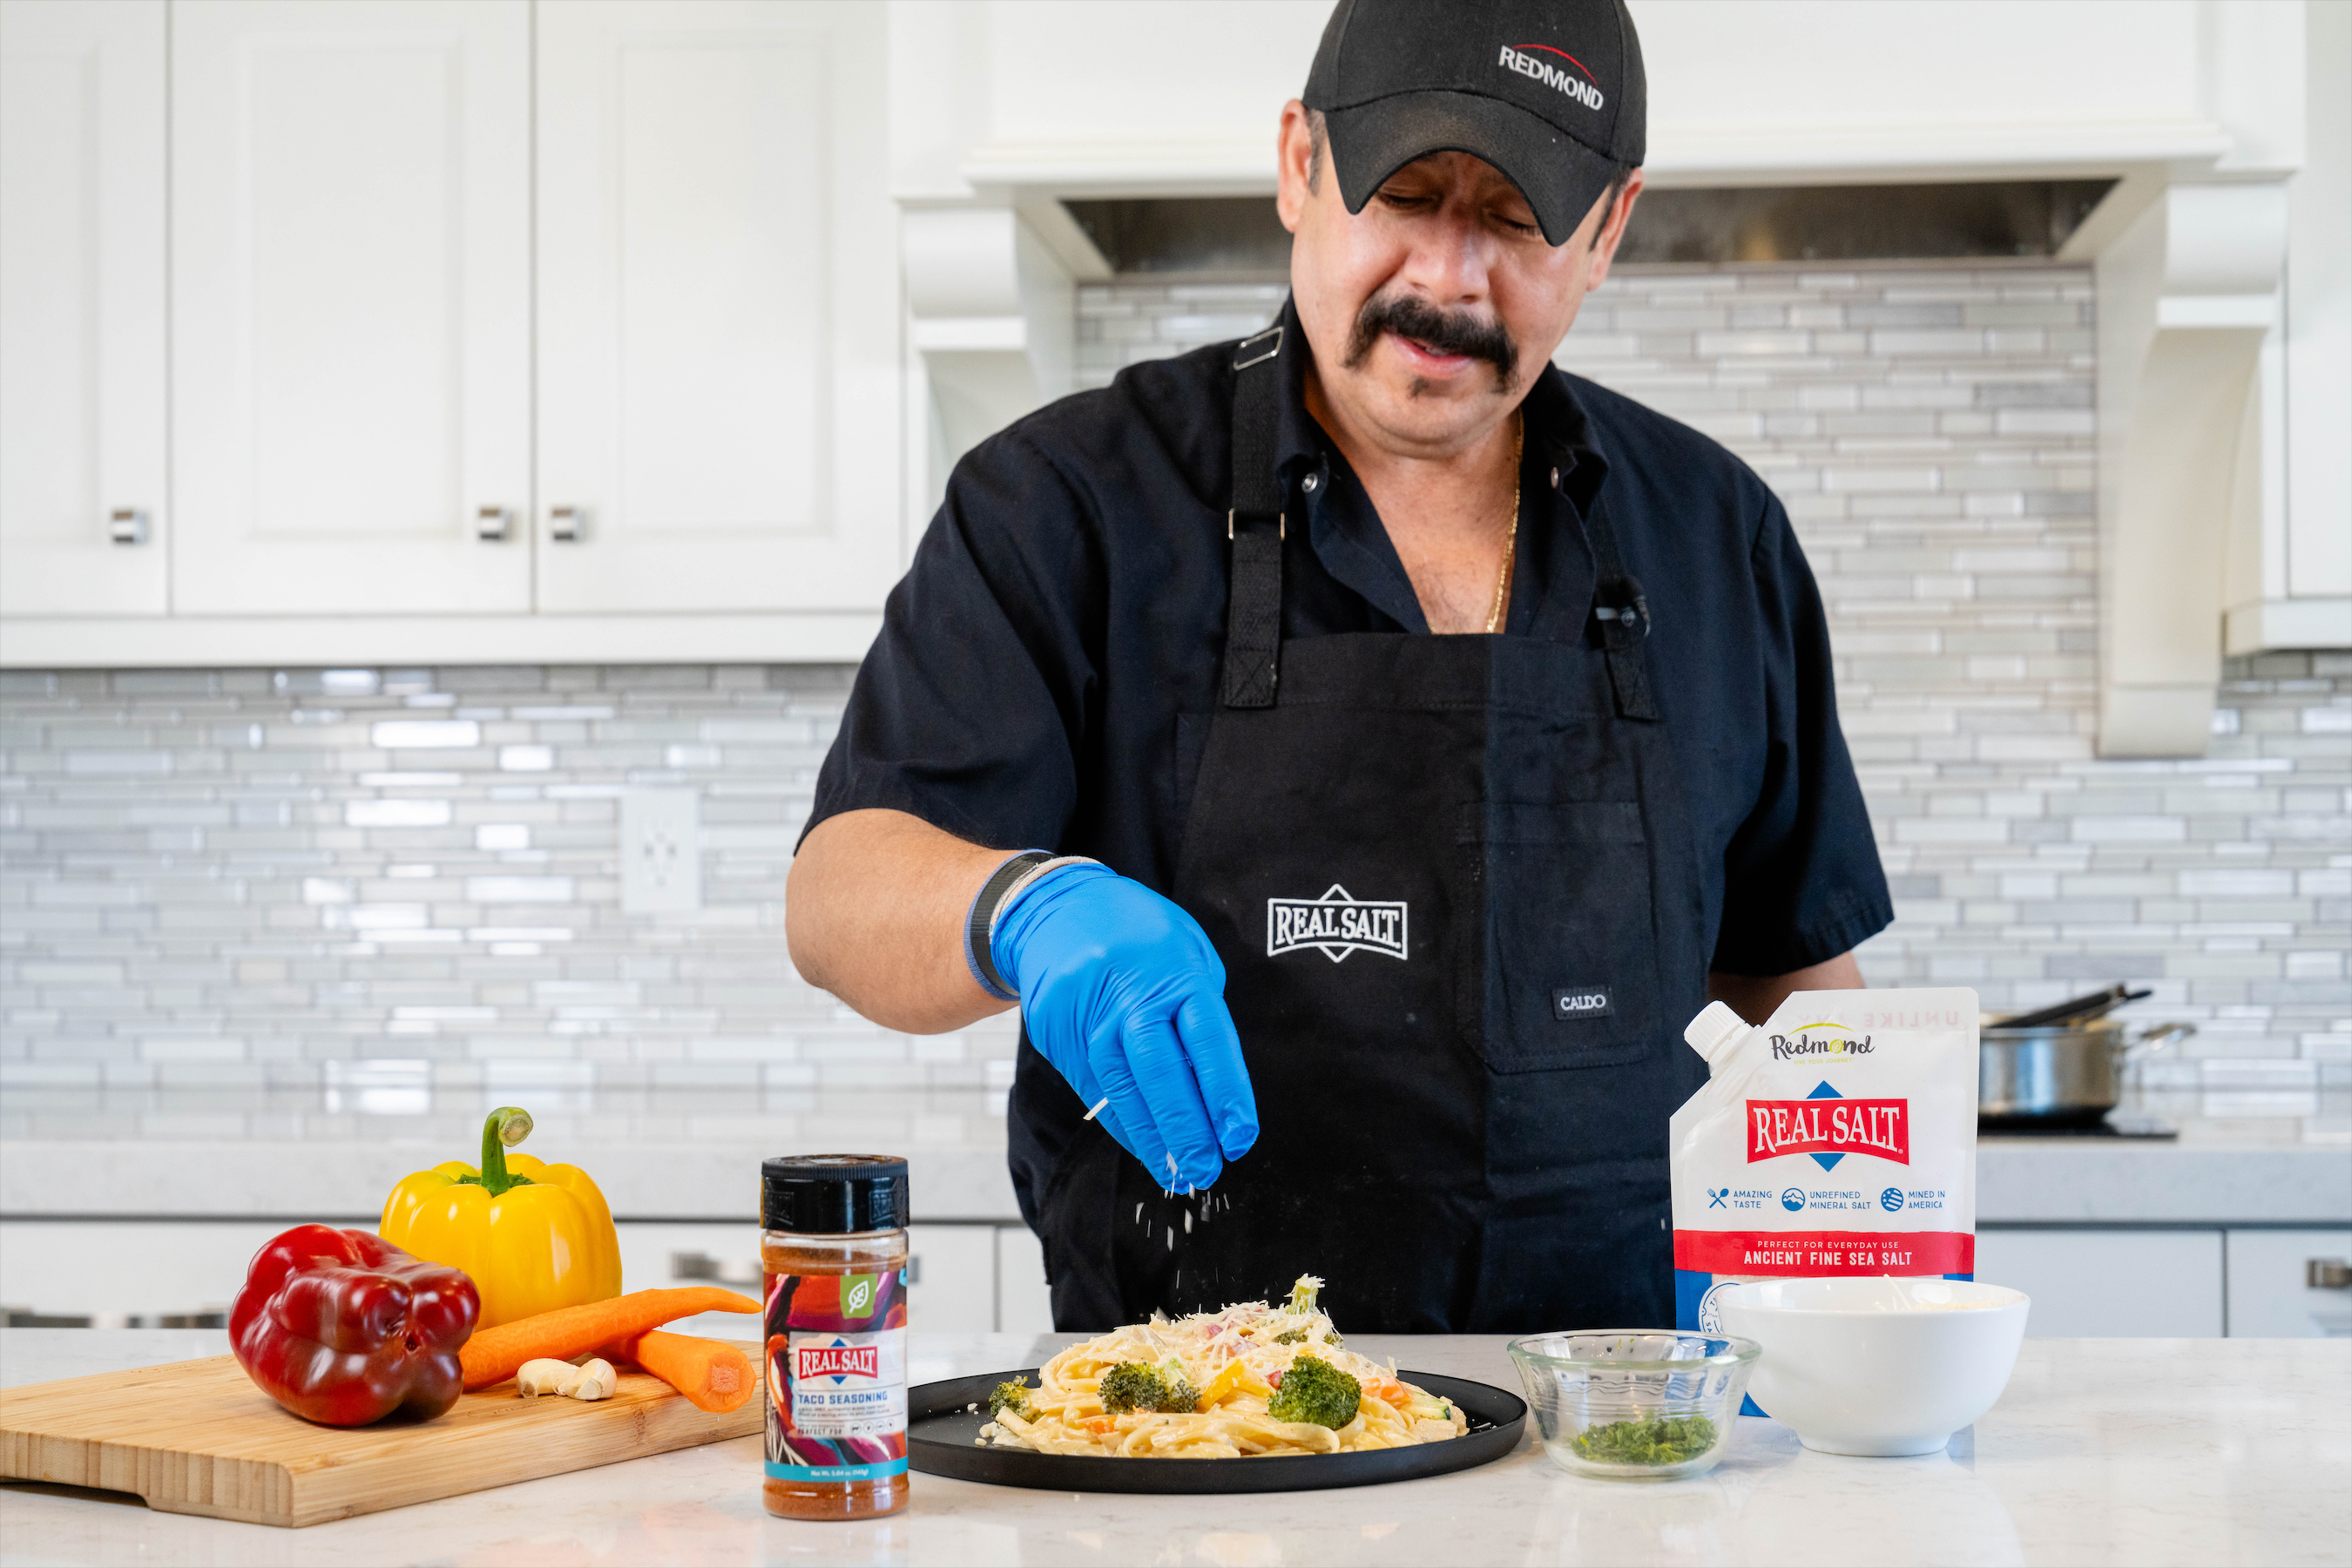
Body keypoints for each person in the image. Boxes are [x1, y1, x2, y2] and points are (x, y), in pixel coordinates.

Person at [787, 0, 1892, 1332]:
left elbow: (1793, 983)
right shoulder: (1067, 501)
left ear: (1608, 229)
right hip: (1188, 1442)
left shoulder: (1716, 534)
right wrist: (1026, 907)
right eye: (1408, 194)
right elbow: (840, 894)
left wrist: (1858, 1274)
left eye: (1520, 219)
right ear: (1301, 166)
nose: (1450, 275)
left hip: (1627, 1439)